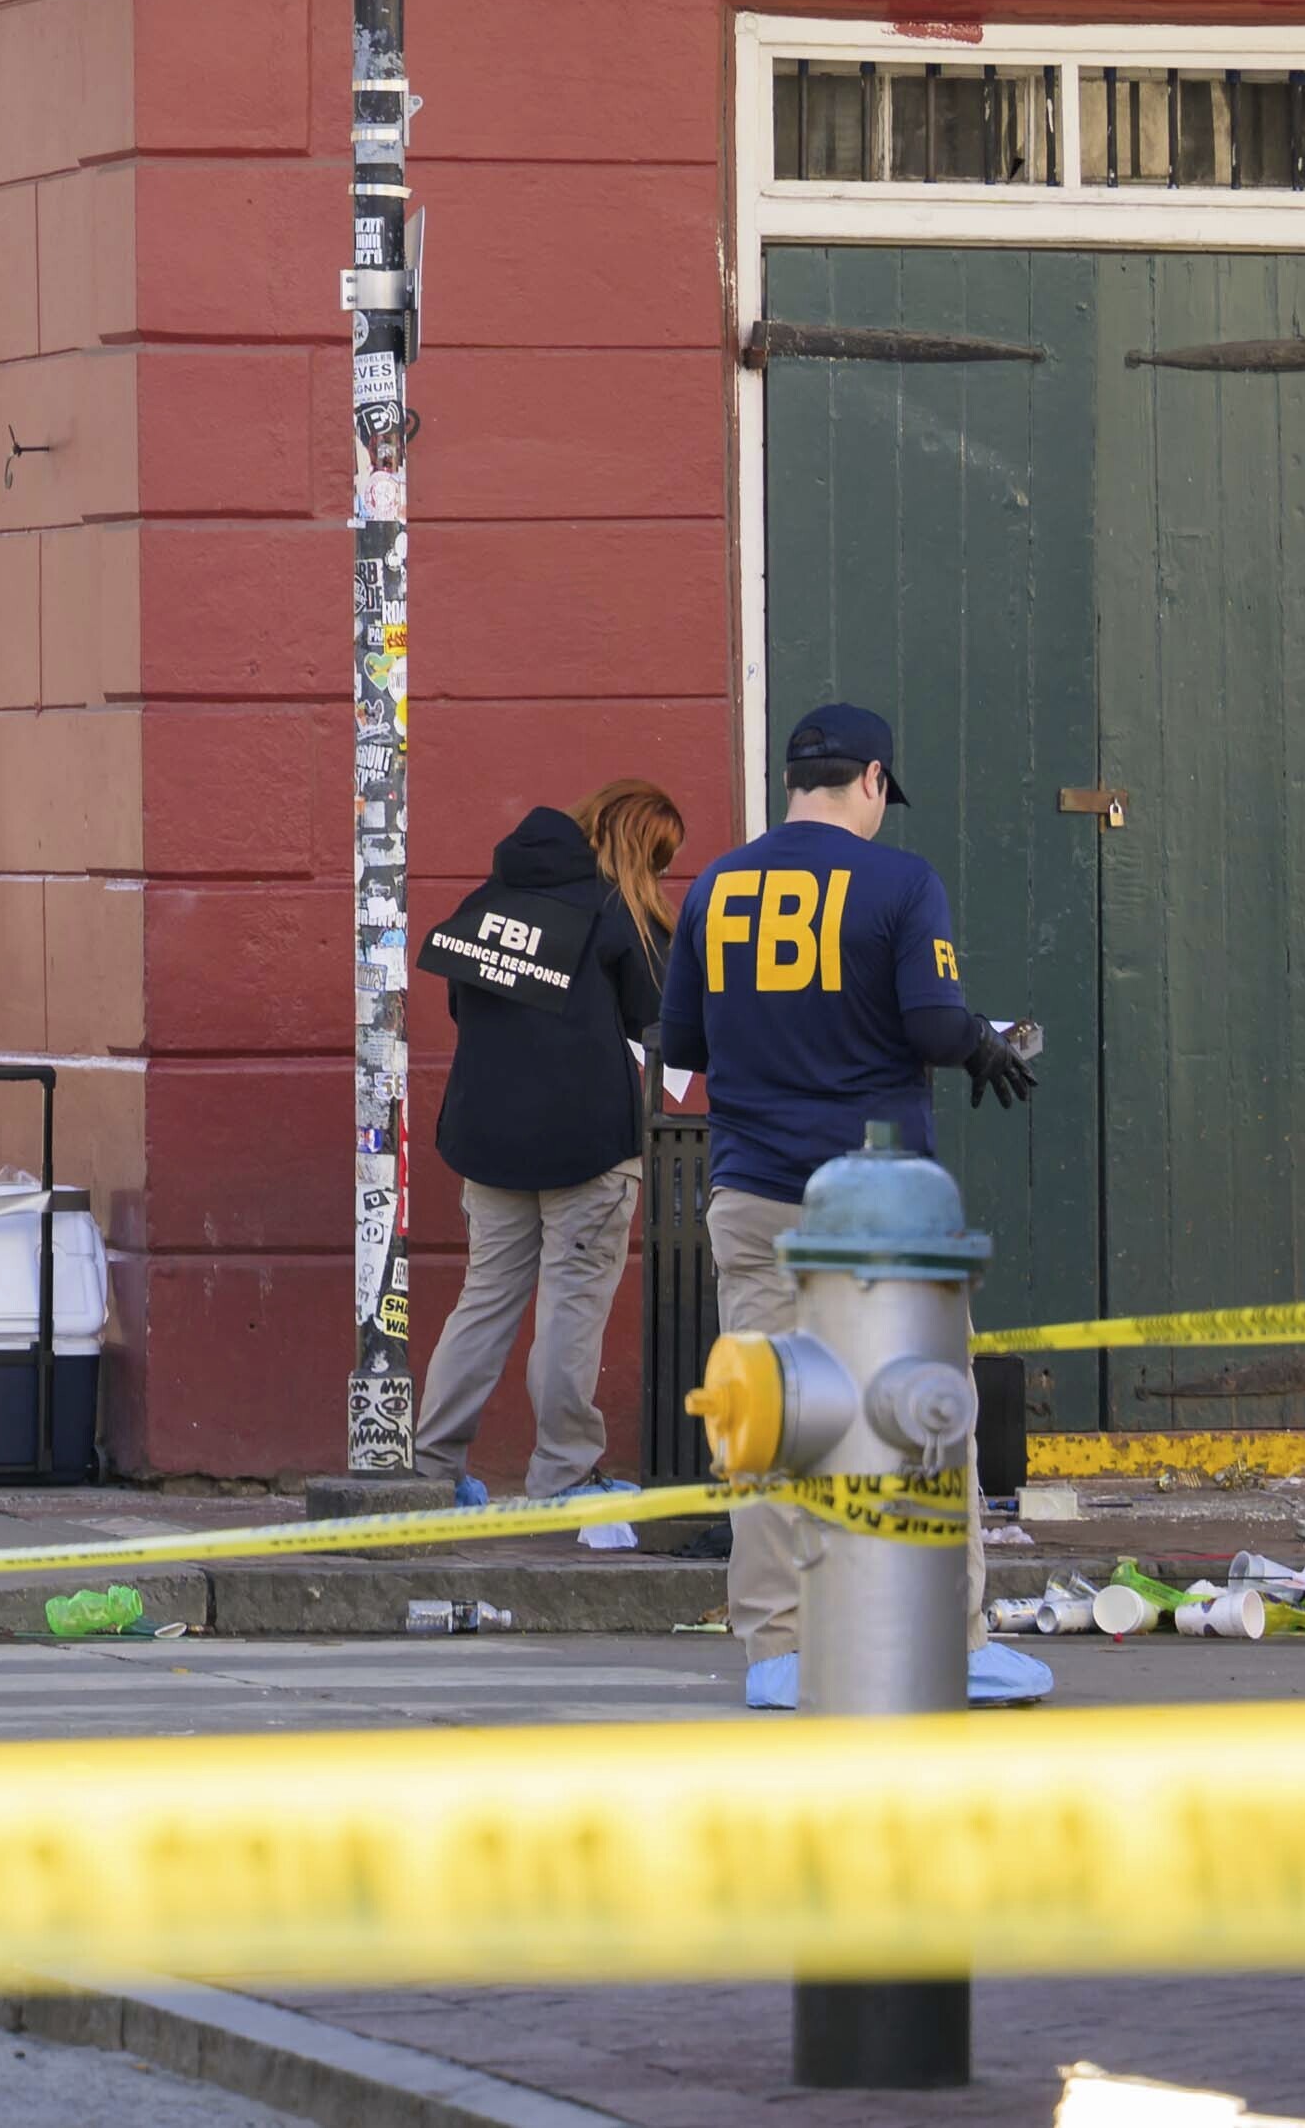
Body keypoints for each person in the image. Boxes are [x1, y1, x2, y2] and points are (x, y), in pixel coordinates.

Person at [658, 702, 1034, 1702]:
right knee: (926, 1417)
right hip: (884, 1214)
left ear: (793, 780)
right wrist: (982, 1042)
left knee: (772, 1418)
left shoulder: (715, 884)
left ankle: (781, 1650)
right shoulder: (903, 881)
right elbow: (934, 1019)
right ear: (873, 777)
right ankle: (951, 1643)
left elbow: (683, 1046)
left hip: (754, 1191)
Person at [404, 791, 663, 1507]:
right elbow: (656, 1015)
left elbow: (462, 1008)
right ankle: (565, 1473)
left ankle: (430, 1467)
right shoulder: (610, 910)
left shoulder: (481, 905)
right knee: (570, 1309)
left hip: (488, 1139)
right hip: (588, 1144)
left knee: (483, 1302)